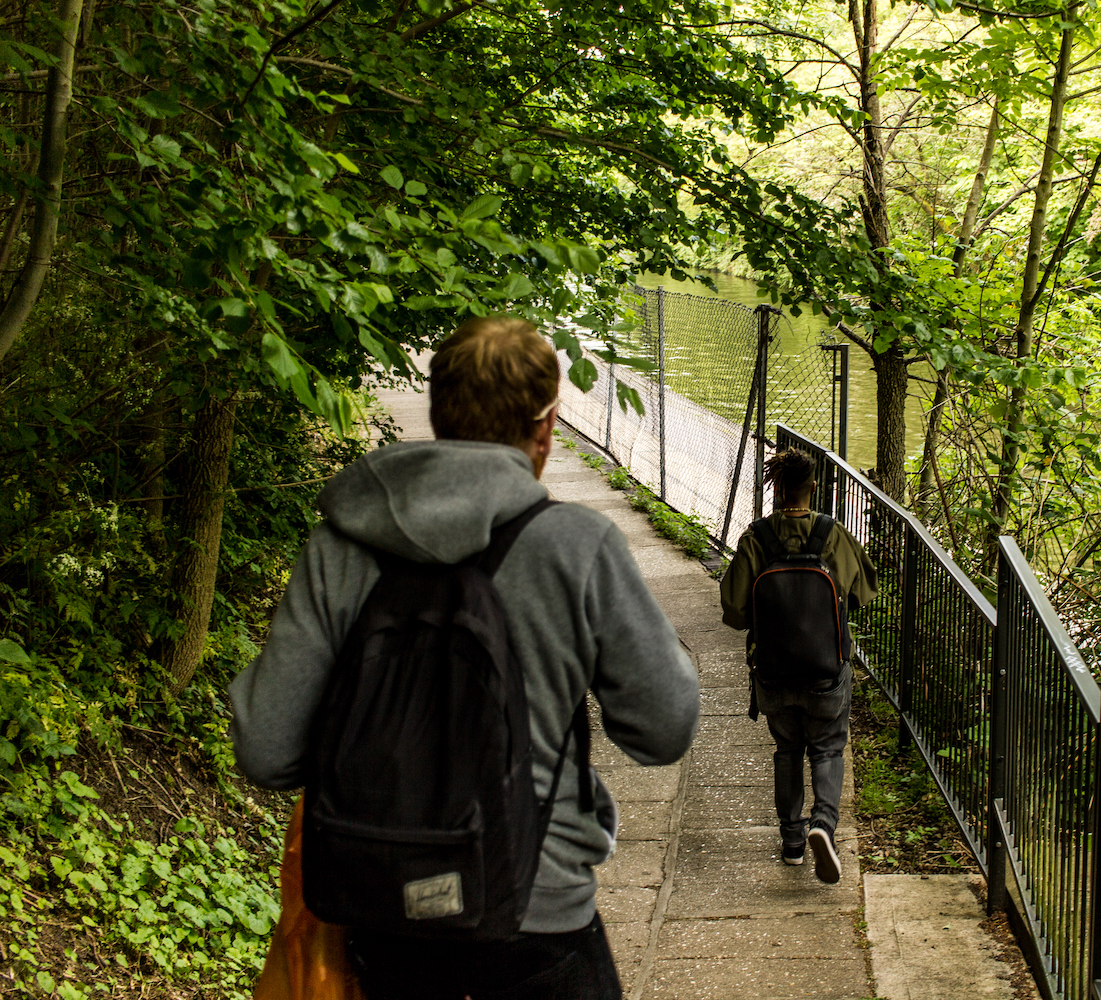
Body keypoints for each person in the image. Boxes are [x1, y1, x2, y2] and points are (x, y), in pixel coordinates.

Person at [229, 316, 699, 1000]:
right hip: (535, 919)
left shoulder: (338, 548)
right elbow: (662, 730)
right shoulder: (576, 546)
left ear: (439, 412)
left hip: (381, 923)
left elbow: (266, 749)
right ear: (546, 428)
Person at [719, 449, 877, 884]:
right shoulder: (832, 534)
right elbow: (863, 592)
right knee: (827, 747)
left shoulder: (757, 539)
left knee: (787, 750)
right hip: (826, 671)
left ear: (776, 489)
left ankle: (792, 842)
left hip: (773, 671)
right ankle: (823, 825)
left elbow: (733, 611)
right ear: (813, 488)